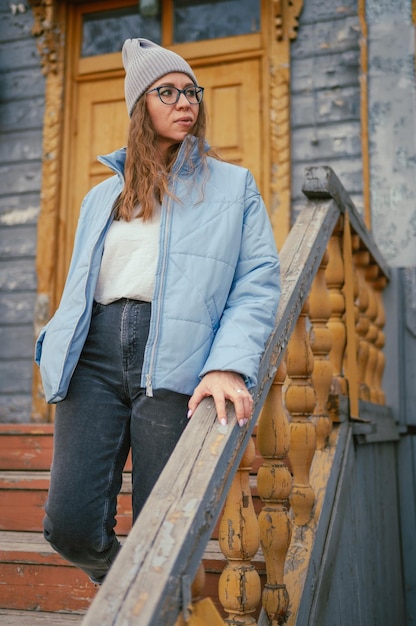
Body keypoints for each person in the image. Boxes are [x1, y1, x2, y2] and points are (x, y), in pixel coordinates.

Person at [35, 38, 280, 585]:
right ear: (138, 107)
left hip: (177, 357)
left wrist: (227, 363)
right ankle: (130, 587)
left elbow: (258, 281)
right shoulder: (101, 198)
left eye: (190, 90)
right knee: (69, 526)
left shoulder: (233, 185)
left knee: (161, 525)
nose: (183, 101)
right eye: (165, 91)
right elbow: (81, 284)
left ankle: (148, 601)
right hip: (93, 360)